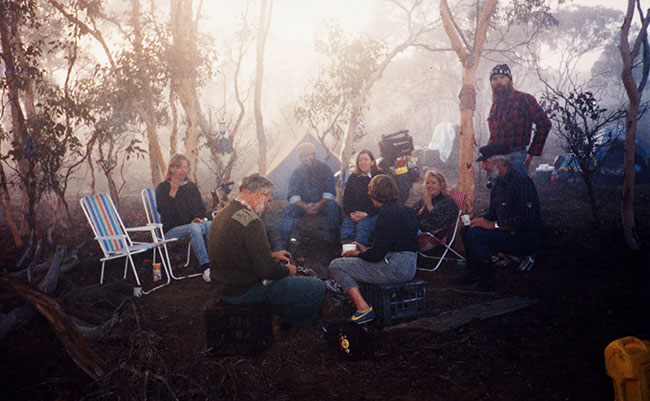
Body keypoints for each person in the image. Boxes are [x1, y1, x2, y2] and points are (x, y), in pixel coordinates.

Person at [208, 174, 326, 327]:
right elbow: (267, 271)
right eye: (268, 200)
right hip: (244, 291)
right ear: (258, 196)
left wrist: (271, 255)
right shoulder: (252, 221)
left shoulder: (223, 213)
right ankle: (294, 326)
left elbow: (237, 251)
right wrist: (288, 270)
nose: (268, 206)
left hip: (225, 288)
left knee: (289, 286)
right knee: (316, 287)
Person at [329, 174, 419, 324]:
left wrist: (356, 253)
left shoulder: (387, 214)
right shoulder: (406, 210)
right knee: (357, 262)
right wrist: (364, 249)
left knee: (337, 266)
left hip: (394, 269)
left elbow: (376, 256)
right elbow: (391, 245)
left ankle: (363, 308)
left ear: (373, 195)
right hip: (409, 266)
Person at [453, 144, 543, 292]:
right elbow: (493, 213)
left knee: (476, 235)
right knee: (467, 230)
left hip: (525, 238)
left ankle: (487, 282)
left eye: (485, 162)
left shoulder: (520, 181)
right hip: (507, 233)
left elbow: (527, 220)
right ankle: (473, 273)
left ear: (499, 162)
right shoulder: (498, 182)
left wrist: (492, 225)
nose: (482, 167)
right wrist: (478, 219)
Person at [156, 154, 212, 282]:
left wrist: (200, 218)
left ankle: (216, 263)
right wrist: (172, 194)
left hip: (192, 225)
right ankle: (206, 267)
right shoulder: (163, 188)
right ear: (172, 169)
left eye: (186, 168)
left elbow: (200, 207)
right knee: (194, 228)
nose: (184, 171)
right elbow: (165, 214)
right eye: (180, 168)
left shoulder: (190, 186)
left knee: (209, 224)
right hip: (171, 229)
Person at [487, 63, 551, 175]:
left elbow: (544, 124)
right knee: (497, 192)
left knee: (520, 191)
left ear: (510, 80)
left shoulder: (524, 99)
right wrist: (488, 158)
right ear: (491, 83)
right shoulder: (495, 105)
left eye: (502, 77)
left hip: (516, 157)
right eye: (494, 79)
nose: (498, 82)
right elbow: (493, 136)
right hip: (496, 160)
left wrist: (531, 153)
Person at [278, 142, 340, 250]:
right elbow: (292, 193)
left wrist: (318, 204)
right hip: (303, 206)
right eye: (303, 156)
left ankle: (334, 243)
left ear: (313, 154)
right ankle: (285, 244)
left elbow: (330, 191)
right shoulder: (297, 172)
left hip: (322, 204)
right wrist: (304, 206)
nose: (306, 158)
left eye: (308, 155)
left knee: (333, 205)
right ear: (300, 157)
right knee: (289, 209)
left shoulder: (325, 169)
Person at [341, 150, 382, 248]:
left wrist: (366, 214)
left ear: (372, 162)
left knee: (363, 226)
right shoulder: (353, 178)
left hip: (373, 213)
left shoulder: (379, 177)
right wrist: (351, 213)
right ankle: (347, 250)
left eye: (366, 160)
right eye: (360, 160)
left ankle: (359, 250)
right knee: (347, 226)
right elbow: (347, 200)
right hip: (355, 213)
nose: (363, 162)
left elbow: (382, 201)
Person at [411, 170, 458, 251]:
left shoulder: (448, 202)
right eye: (427, 183)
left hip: (430, 237)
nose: (429, 186)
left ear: (442, 184)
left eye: (433, 183)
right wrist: (423, 208)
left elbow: (442, 222)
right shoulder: (426, 199)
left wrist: (429, 206)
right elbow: (411, 213)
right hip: (416, 232)